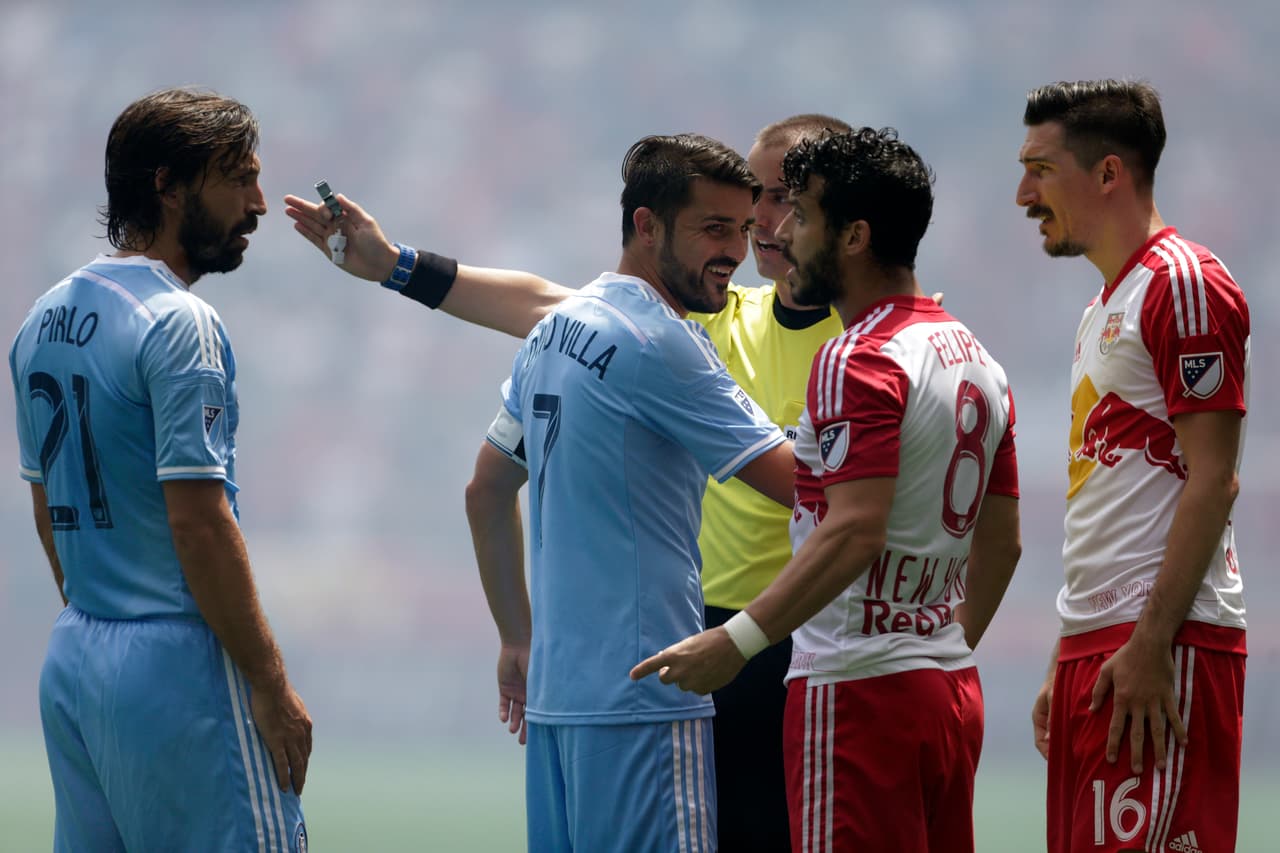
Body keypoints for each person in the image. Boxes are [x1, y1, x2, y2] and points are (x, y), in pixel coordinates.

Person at [284, 114, 850, 851]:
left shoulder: (862, 341)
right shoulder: (690, 328)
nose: (753, 236)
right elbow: (547, 306)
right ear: (652, 227)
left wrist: (519, 638)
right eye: (736, 218)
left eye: (778, 204)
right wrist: (396, 265)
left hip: (773, 648)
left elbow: (497, 459)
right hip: (681, 661)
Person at [631, 128, 1023, 852]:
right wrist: (939, 645)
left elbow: (853, 528)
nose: (779, 232)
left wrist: (734, 640)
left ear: (854, 236)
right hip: (947, 690)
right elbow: (1005, 539)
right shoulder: (974, 356)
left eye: (801, 215)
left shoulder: (857, 357)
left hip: (855, 690)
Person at [9, 87, 311, 852]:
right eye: (237, 177)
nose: (259, 202)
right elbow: (199, 521)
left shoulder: (39, 319)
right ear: (168, 185)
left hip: (77, 655)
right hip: (175, 667)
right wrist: (270, 685)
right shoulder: (178, 320)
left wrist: (103, 618)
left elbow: (47, 510)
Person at [478, 133, 800, 850]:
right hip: (648, 702)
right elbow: (804, 485)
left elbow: (484, 490)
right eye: (714, 229)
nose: (737, 251)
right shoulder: (664, 344)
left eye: (746, 230)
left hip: (560, 705)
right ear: (646, 224)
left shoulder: (554, 329)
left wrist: (515, 637)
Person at [1017, 79, 1249, 853]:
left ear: (1109, 172)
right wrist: (1066, 647)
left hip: (1164, 644)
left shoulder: (1182, 283)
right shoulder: (1101, 307)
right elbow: (1110, 492)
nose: (1023, 194)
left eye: (1041, 170)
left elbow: (1213, 478)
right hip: (1102, 643)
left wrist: (1151, 642)